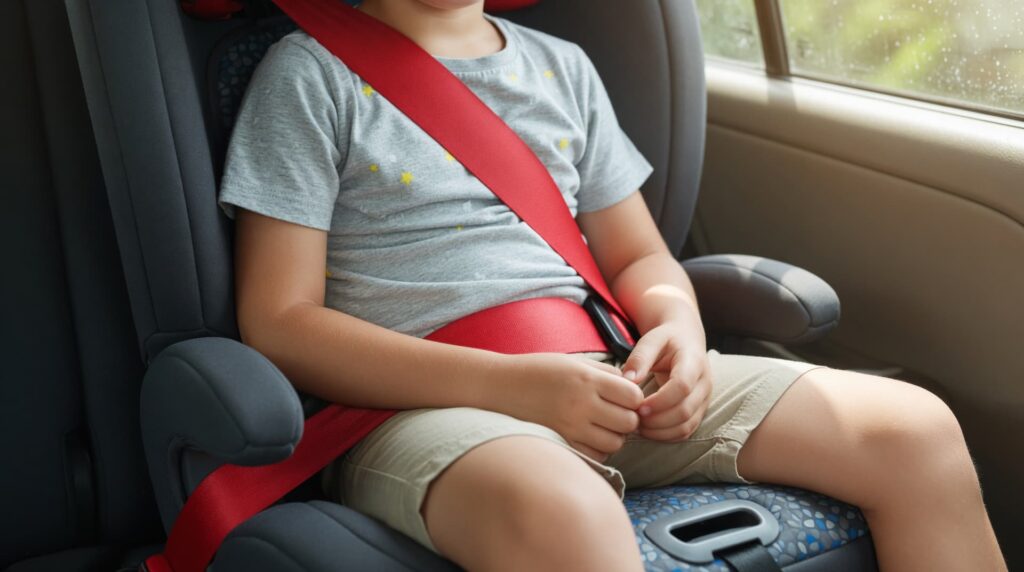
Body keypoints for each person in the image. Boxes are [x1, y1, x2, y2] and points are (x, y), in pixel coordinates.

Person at [216, 0, 1007, 569]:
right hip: (423, 409)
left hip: (605, 376)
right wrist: (512, 388)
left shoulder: (561, 68)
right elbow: (281, 321)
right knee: (562, 512)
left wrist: (679, 334)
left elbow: (638, 259)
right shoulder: (307, 79)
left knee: (914, 430)